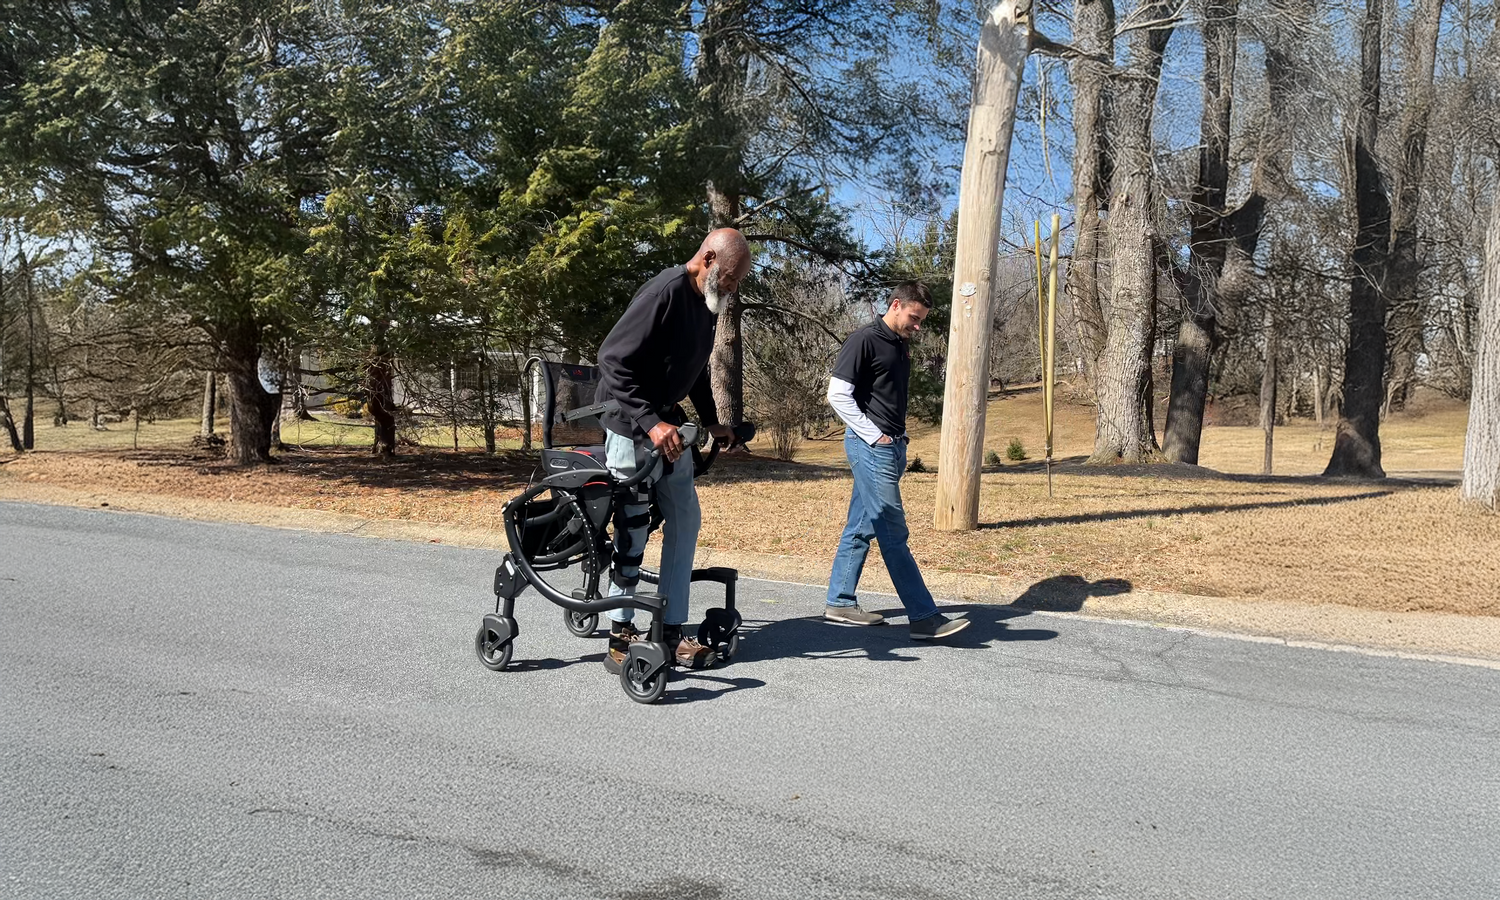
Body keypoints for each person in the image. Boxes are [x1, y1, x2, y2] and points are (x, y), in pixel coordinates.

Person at [594, 228, 749, 669]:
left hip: (668, 426)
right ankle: (620, 634)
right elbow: (611, 359)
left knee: (685, 517)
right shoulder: (664, 291)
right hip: (628, 422)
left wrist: (714, 422)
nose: (733, 289)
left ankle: (671, 629)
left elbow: (696, 372)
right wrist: (650, 422)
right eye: (733, 278)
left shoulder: (707, 304)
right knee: (633, 527)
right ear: (709, 258)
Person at [823, 282, 970, 640]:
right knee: (892, 530)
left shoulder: (898, 343)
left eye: (921, 321)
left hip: (891, 447)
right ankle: (922, 617)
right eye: (914, 318)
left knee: (862, 525)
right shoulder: (864, 339)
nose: (917, 327)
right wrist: (874, 435)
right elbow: (837, 394)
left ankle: (840, 601)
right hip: (871, 447)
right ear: (895, 304)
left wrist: (897, 439)